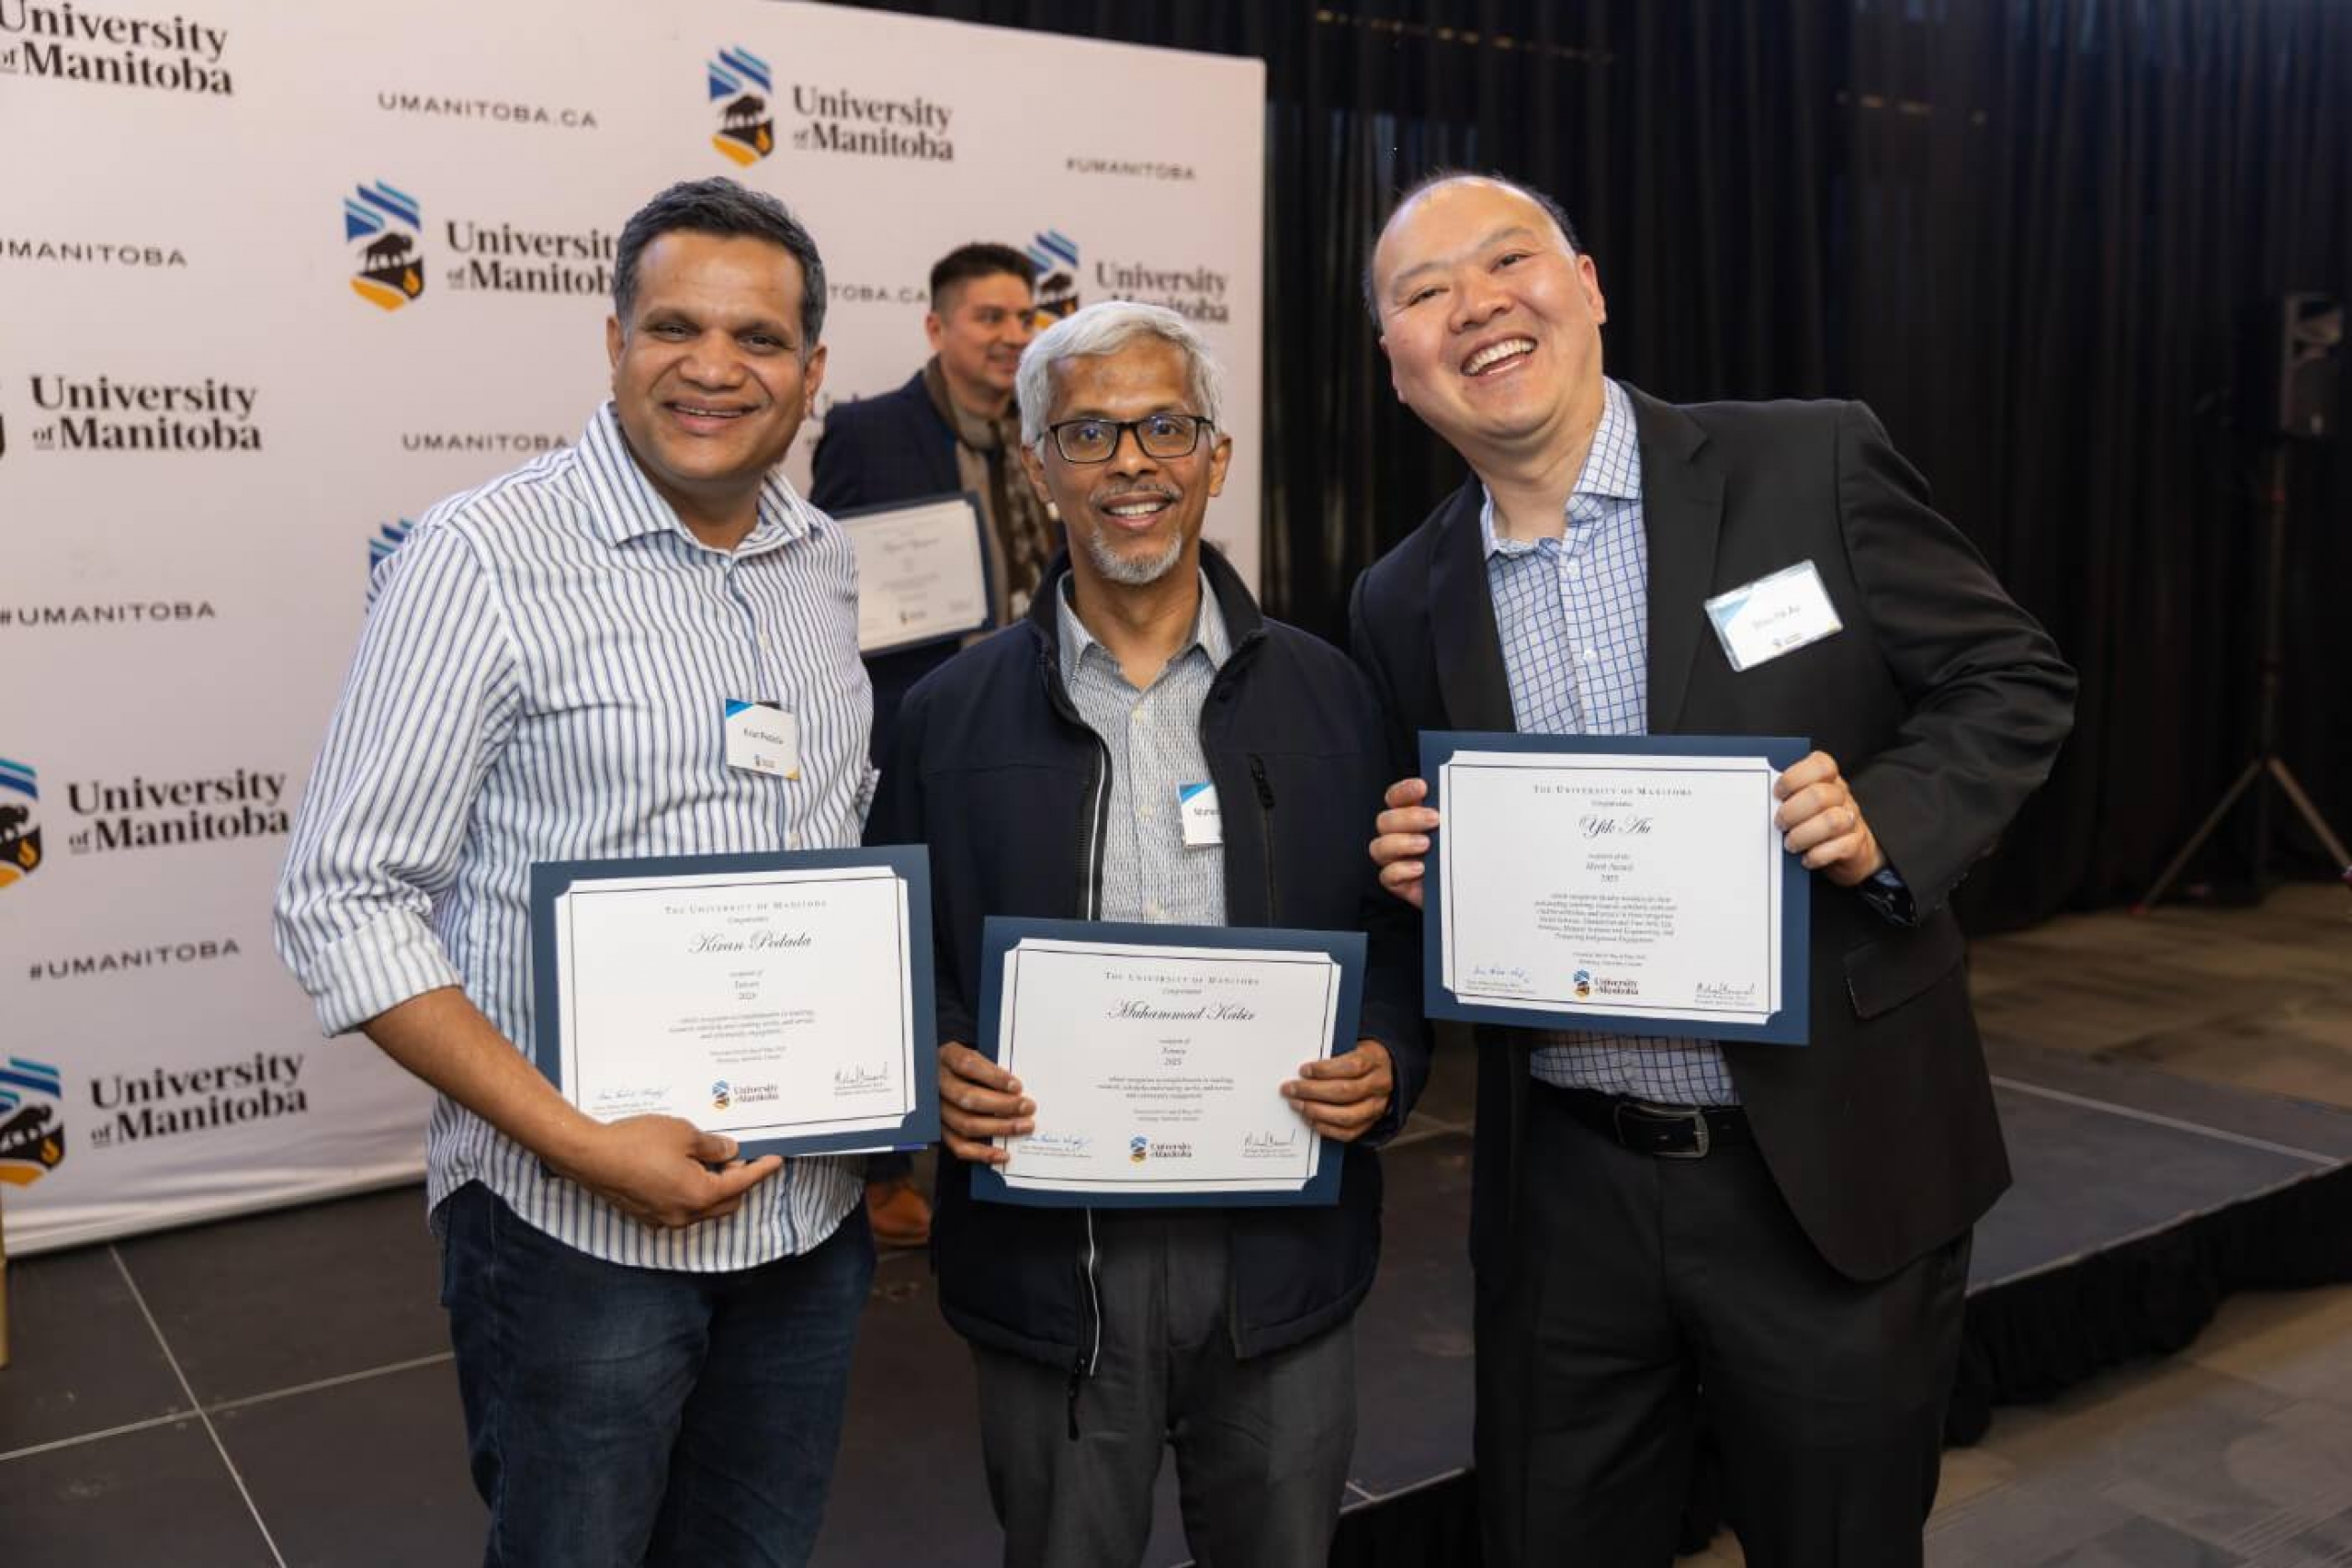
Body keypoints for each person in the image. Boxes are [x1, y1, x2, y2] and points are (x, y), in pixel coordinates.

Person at [1351, 172, 2077, 1568]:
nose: (1477, 306)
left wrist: (1885, 819)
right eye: (1425, 294)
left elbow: (2012, 678)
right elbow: (1442, 874)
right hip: (1566, 1195)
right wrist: (1419, 869)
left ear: (1588, 286)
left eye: (1508, 262)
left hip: (1828, 1172)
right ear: (1396, 363)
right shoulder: (1400, 597)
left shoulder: (1809, 464)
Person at [275, 177, 876, 1568]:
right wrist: (581, 1141)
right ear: (613, 342)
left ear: (811, 373)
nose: (714, 367)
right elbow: (344, 898)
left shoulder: (824, 561)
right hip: (572, 1234)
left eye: (759, 338)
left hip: (806, 1214)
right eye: (674, 326)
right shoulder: (480, 556)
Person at [867, 300, 1430, 1568]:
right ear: (1039, 467)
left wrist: (1388, 1059)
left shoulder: (1335, 697)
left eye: (1165, 427)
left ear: (1215, 457)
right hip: (1049, 1270)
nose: (1132, 462)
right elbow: (898, 952)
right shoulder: (947, 716)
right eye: (1090, 432)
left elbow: (1390, 934)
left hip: (1281, 1261)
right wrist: (938, 1056)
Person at [813, 241, 1050, 1250]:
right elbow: (826, 577)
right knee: (896, 934)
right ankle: (880, 1167)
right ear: (936, 326)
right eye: (989, 317)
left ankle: (1021, 1114)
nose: (1011, 336)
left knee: (1002, 918)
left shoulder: (1049, 425)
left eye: (1024, 317)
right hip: (909, 718)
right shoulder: (868, 429)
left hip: (1034, 715)